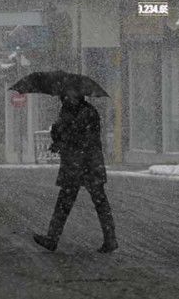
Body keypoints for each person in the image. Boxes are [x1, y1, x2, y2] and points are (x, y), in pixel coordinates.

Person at [33, 87, 118, 253]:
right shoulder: (68, 111)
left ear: (77, 95)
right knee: (68, 201)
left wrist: (63, 136)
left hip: (85, 163)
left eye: (67, 95)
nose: (64, 98)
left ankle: (110, 239)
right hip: (77, 163)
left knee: (96, 201)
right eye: (63, 95)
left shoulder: (87, 112)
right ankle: (53, 238)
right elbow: (64, 133)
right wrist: (57, 135)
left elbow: (79, 137)